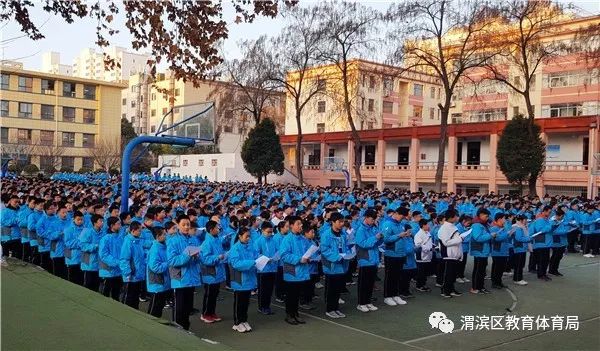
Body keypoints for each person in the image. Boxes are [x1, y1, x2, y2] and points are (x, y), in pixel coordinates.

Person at [167, 215, 202, 331]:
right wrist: (187, 255)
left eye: (188, 224)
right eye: (184, 225)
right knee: (179, 308)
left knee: (187, 307)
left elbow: (198, 257)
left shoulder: (193, 239)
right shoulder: (173, 241)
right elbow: (172, 260)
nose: (187, 227)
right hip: (180, 278)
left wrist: (197, 256)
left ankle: (186, 329)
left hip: (191, 278)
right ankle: (177, 330)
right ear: (177, 225)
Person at [319, 212, 350, 319]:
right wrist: (338, 257)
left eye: (343, 222)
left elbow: (347, 246)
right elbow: (325, 250)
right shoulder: (326, 235)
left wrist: (349, 254)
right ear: (333, 222)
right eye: (340, 222)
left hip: (342, 265)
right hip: (331, 266)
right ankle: (329, 309)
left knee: (338, 289)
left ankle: (336, 308)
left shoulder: (343, 234)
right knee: (331, 289)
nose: (342, 224)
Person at [280, 216, 310, 325]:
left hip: (301, 270)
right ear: (292, 225)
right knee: (291, 294)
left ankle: (296, 313)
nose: (301, 226)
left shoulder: (302, 239)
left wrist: (308, 257)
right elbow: (284, 255)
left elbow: (306, 251)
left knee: (297, 294)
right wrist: (299, 259)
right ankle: (289, 315)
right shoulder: (287, 239)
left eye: (301, 224)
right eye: (298, 224)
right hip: (291, 269)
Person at [229, 227, 259, 333]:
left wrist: (262, 259)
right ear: (240, 236)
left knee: (246, 302)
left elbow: (256, 256)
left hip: (249, 279)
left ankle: (244, 320)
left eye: (249, 236)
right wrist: (252, 262)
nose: (248, 239)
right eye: (246, 236)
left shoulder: (249, 247)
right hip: (239, 279)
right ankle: (237, 323)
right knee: (239, 302)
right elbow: (236, 264)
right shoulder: (235, 248)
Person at [355, 209, 384, 312]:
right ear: (366, 217)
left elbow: (378, 242)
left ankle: (368, 302)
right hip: (365, 259)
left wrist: (380, 237)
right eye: (372, 219)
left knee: (371, 283)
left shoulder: (373, 228)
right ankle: (361, 303)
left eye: (374, 219)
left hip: (374, 259)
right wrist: (375, 238)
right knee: (364, 283)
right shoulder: (361, 230)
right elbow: (363, 244)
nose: (373, 221)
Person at [199, 220, 226, 323]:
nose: (218, 229)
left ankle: (212, 312)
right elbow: (205, 259)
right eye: (217, 227)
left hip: (217, 272)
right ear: (211, 230)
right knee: (209, 295)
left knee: (214, 294)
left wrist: (223, 256)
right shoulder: (206, 243)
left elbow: (221, 253)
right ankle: (205, 314)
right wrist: (218, 257)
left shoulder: (217, 239)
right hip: (210, 273)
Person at [120, 221, 147, 309]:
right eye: (139, 230)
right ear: (133, 231)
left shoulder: (138, 241)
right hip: (131, 276)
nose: (140, 232)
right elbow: (124, 259)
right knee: (128, 298)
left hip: (138, 275)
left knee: (135, 298)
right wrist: (127, 273)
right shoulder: (128, 242)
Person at [254, 221, 278, 315]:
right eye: (268, 232)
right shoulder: (258, 241)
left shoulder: (273, 240)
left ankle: (267, 306)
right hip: (262, 269)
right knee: (263, 289)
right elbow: (256, 254)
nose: (270, 234)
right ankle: (261, 307)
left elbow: (278, 251)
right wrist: (265, 258)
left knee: (270, 289)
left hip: (272, 267)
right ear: (262, 230)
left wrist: (275, 257)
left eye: (271, 232)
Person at [437, 209, 463, 298]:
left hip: (454, 254)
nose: (457, 217)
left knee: (452, 274)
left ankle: (451, 289)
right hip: (448, 255)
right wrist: (460, 239)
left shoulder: (452, 226)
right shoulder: (444, 228)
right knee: (448, 274)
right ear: (451, 217)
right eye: (456, 216)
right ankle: (445, 290)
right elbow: (446, 242)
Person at [147, 227, 171, 318]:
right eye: (164, 234)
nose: (166, 236)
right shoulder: (155, 249)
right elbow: (155, 267)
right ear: (158, 236)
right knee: (154, 308)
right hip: (157, 283)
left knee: (159, 306)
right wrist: (168, 263)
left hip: (163, 282)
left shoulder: (163, 246)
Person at [98, 217, 123, 300]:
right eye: (118, 224)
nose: (120, 226)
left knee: (116, 295)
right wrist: (117, 262)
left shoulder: (120, 238)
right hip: (107, 272)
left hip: (118, 272)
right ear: (112, 225)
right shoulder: (105, 239)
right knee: (105, 296)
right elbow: (103, 255)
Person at [529, 206, 556, 281]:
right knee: (542, 260)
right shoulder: (540, 219)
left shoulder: (545, 219)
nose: (550, 214)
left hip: (546, 243)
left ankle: (543, 274)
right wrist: (550, 225)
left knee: (545, 260)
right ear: (544, 211)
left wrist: (553, 226)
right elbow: (540, 230)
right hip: (541, 243)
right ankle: (541, 274)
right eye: (549, 212)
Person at [470, 209, 493, 294]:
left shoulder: (484, 224)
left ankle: (481, 287)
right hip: (479, 251)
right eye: (486, 216)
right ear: (480, 215)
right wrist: (490, 235)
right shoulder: (476, 225)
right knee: (478, 270)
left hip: (484, 251)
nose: (487, 218)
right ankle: (475, 287)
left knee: (482, 270)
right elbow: (478, 238)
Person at [79, 214, 104, 292]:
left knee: (97, 285)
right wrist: (95, 246)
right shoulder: (87, 232)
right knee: (88, 284)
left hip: (99, 263)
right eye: (100, 221)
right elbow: (82, 245)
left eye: (103, 221)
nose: (102, 223)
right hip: (89, 263)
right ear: (94, 223)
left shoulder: (103, 233)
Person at [48, 203, 70, 279]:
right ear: (58, 213)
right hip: (56, 250)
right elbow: (50, 236)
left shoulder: (70, 223)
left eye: (66, 212)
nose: (65, 214)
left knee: (65, 273)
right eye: (63, 212)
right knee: (57, 273)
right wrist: (60, 233)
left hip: (67, 251)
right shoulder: (53, 223)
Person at [64, 211, 85, 285]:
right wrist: (80, 242)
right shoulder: (68, 230)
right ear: (73, 219)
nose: (80, 221)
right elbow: (68, 243)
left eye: (81, 219)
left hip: (83, 258)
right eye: (78, 219)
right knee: (73, 280)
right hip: (72, 258)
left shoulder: (85, 230)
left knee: (81, 279)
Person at [490, 213, 510, 289]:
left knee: (501, 268)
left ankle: (499, 282)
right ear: (499, 219)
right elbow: (497, 238)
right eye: (504, 218)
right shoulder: (494, 228)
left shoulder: (503, 227)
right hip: (497, 251)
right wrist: (507, 234)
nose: (505, 220)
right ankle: (495, 283)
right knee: (497, 268)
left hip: (504, 251)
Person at [548, 208, 570, 277]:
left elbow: (565, 227)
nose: (563, 218)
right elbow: (553, 232)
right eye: (562, 216)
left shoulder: (562, 221)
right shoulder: (552, 222)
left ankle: (555, 270)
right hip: (556, 242)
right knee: (555, 256)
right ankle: (551, 270)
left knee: (559, 256)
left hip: (562, 241)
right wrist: (564, 231)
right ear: (558, 216)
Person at [414, 218, 432, 292]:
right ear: (423, 225)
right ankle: (419, 285)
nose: (429, 226)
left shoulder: (427, 233)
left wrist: (433, 246)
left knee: (425, 272)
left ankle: (423, 284)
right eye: (427, 224)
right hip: (421, 256)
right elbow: (418, 245)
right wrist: (429, 248)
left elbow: (429, 243)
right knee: (421, 272)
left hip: (428, 255)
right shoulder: (418, 234)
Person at [511, 215, 530, 285]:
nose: (526, 222)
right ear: (521, 220)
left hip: (522, 248)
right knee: (518, 264)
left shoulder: (522, 227)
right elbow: (518, 238)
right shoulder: (518, 228)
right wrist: (528, 239)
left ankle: (519, 278)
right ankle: (517, 279)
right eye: (525, 220)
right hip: (519, 248)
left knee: (520, 264)